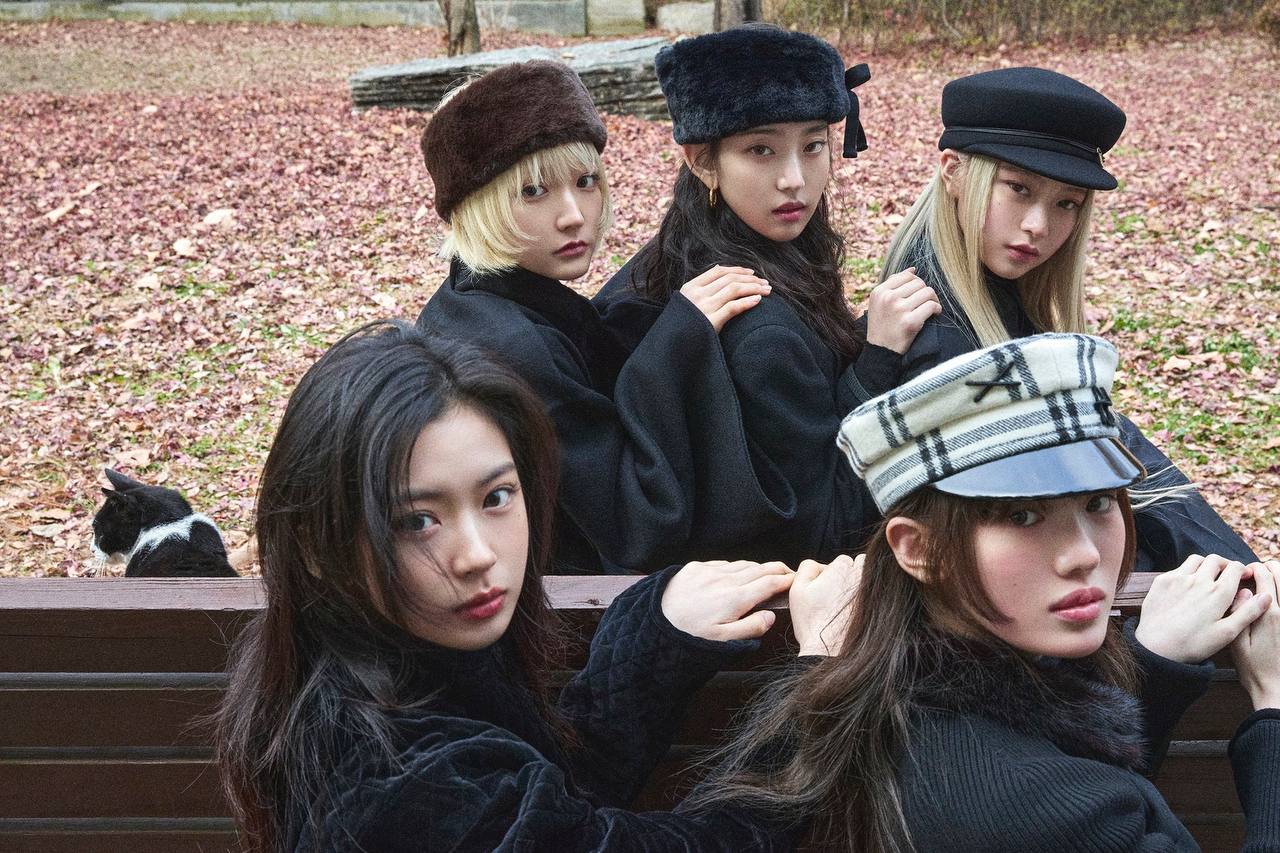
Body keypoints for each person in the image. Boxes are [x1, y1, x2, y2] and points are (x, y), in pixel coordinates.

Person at [214, 321, 858, 853]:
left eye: (496, 496)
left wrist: (654, 639)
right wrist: (820, 680)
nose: (476, 555)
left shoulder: (363, 680)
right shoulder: (404, 782)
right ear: (317, 546)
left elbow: (558, 809)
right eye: (416, 521)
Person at [691, 332, 1280, 852]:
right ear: (918, 550)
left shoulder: (899, 703)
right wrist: (1274, 710)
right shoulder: (1027, 807)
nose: (1084, 554)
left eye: (1099, 502)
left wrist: (1158, 667)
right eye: (1022, 516)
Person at [855, 65, 1255, 571]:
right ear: (953, 171)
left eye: (1067, 202)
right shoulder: (943, 340)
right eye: (1018, 189)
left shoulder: (989, 296)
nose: (1038, 226)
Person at [414, 58, 794, 575]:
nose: (574, 215)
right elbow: (639, 526)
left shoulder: (474, 300)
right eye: (533, 191)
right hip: (565, 609)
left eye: (586, 181)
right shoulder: (513, 350)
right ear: (475, 204)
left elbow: (599, 331)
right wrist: (677, 343)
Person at [595, 24, 940, 565]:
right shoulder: (762, 331)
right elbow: (823, 535)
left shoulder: (675, 255)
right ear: (702, 160)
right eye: (761, 149)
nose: (794, 179)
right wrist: (878, 357)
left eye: (813, 145)